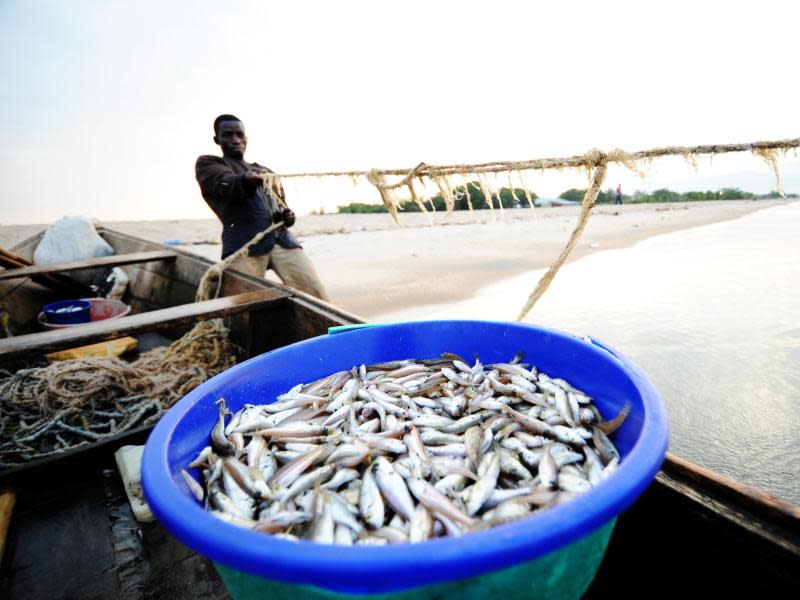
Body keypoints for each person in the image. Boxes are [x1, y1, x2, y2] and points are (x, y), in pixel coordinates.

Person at [195, 114, 329, 301]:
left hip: (282, 240)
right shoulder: (209, 164)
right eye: (228, 135)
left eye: (240, 135)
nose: (236, 140)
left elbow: (281, 204)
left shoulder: (265, 171)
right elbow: (224, 184)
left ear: (246, 138)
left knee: (315, 291)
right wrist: (246, 180)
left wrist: (287, 216)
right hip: (244, 245)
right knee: (240, 305)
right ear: (217, 139)